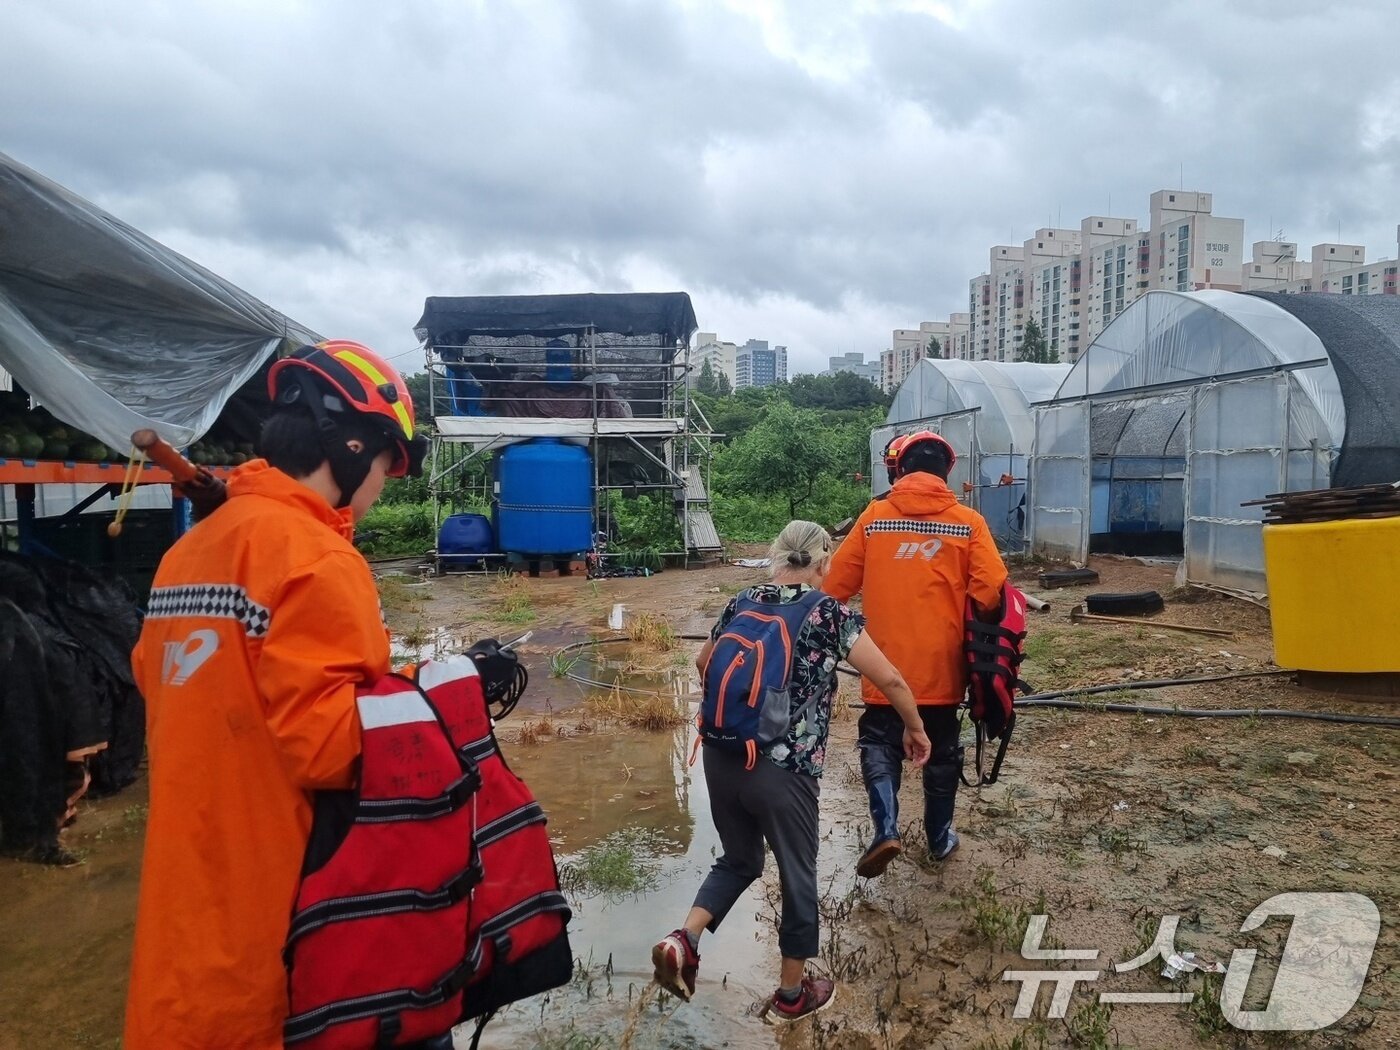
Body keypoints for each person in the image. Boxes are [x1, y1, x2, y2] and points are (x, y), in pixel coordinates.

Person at [123, 340, 429, 1049]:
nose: (383, 484)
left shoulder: (188, 554)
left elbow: (163, 687)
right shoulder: (316, 558)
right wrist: (422, 695)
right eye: (387, 464)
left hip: (184, 922)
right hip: (279, 932)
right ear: (352, 445)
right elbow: (333, 753)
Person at [651, 521, 931, 1023]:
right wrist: (915, 728)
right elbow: (888, 676)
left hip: (721, 755)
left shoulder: (741, 601)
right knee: (798, 875)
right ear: (824, 563)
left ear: (775, 554)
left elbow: (702, 662)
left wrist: (740, 715)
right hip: (784, 769)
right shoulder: (827, 613)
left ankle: (684, 938)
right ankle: (790, 995)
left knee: (740, 861)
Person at [825, 431, 1008, 877]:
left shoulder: (874, 518)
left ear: (900, 470)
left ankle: (885, 828)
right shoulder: (968, 523)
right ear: (948, 471)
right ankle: (939, 838)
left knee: (878, 743)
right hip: (943, 672)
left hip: (883, 669)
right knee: (942, 751)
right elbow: (990, 590)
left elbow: (834, 590)